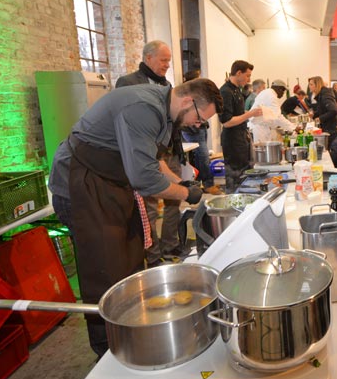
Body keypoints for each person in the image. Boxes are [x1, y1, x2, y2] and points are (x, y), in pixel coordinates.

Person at [48, 78, 222, 357]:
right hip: (81, 185)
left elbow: (154, 162)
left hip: (109, 184)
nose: (198, 125)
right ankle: (107, 349)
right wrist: (186, 195)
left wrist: (183, 184)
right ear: (188, 102)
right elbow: (145, 179)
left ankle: (131, 331)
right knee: (103, 267)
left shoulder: (163, 109)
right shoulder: (143, 108)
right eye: (200, 119)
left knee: (127, 259)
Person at [114, 40, 186, 265]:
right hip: (147, 153)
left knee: (176, 200)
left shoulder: (166, 84)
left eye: (168, 61)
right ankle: (153, 257)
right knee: (150, 208)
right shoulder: (128, 82)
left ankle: (170, 247)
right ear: (148, 58)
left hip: (169, 151)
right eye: (163, 60)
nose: (166, 65)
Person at [220, 60, 262, 191]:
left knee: (246, 174)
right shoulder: (225, 91)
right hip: (232, 141)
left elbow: (237, 113)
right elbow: (227, 121)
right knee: (235, 178)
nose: (249, 79)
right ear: (238, 73)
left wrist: (252, 113)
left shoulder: (237, 90)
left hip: (241, 137)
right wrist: (249, 114)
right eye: (247, 75)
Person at [180, 70, 224, 196]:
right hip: (192, 131)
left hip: (200, 130)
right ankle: (207, 184)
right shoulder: (187, 103)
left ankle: (204, 183)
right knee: (202, 155)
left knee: (203, 156)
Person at [308, 75, 337, 148]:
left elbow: (333, 110)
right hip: (327, 128)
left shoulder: (325, 95)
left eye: (311, 84)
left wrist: (320, 118)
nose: (309, 86)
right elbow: (323, 110)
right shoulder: (321, 95)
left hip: (331, 129)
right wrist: (314, 115)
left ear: (317, 85)